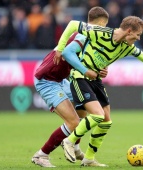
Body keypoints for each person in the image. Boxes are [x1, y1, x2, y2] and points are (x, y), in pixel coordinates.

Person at [59, 16, 143, 167]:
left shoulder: (127, 47)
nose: (138, 38)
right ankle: (69, 141)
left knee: (106, 121)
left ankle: (89, 158)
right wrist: (60, 48)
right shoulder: (101, 32)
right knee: (98, 115)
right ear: (129, 31)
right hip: (80, 77)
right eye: (137, 34)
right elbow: (73, 24)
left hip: (96, 80)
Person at [31, 7, 109, 168]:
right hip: (47, 80)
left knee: (82, 110)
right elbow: (67, 53)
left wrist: (100, 69)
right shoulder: (83, 35)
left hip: (61, 79)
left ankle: (75, 146)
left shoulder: (88, 37)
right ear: (101, 23)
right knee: (73, 122)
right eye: (104, 25)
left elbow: (86, 60)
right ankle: (41, 155)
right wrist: (87, 71)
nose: (104, 29)